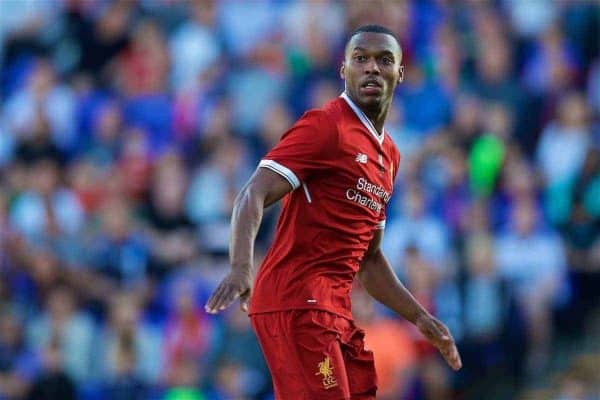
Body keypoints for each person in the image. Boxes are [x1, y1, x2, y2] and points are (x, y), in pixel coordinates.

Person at [205, 24, 462, 399]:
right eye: (361, 59)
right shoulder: (326, 126)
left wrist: (420, 317)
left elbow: (369, 260)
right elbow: (253, 191)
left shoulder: (389, 157)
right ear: (344, 70)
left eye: (384, 60)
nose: (372, 68)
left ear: (400, 74)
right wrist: (242, 267)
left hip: (334, 309)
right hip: (297, 301)